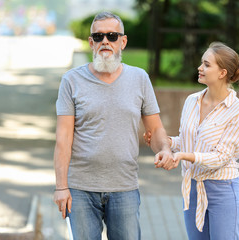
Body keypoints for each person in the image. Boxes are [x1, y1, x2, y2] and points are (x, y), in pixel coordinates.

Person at [53, 11, 173, 240]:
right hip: (80, 190)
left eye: (112, 35)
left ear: (123, 41)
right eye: (98, 37)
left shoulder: (140, 78)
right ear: (91, 43)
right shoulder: (71, 80)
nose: (105, 41)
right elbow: (63, 138)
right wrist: (61, 186)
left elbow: (155, 129)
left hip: (124, 187)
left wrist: (165, 149)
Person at [145, 42, 239, 239]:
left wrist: (183, 156)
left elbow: (221, 157)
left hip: (223, 192)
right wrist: (163, 142)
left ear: (222, 73)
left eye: (206, 64)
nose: (200, 68)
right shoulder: (192, 101)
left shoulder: (238, 112)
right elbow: (187, 141)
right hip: (193, 189)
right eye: (202, 63)